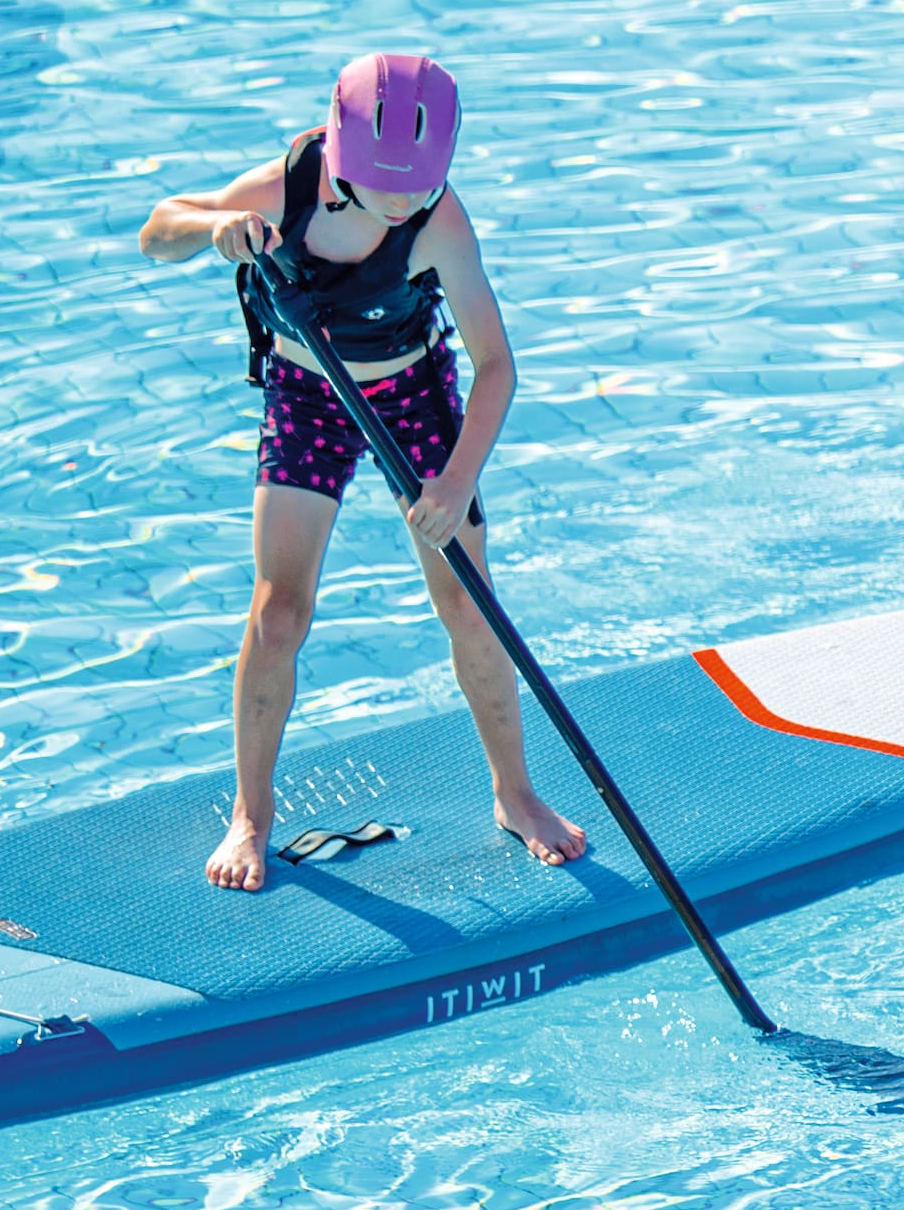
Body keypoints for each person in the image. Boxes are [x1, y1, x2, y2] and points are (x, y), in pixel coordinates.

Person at [134, 52, 592, 891]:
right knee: (279, 613)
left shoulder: (441, 223)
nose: (400, 209)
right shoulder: (289, 185)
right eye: (385, 193)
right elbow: (156, 229)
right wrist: (212, 232)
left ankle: (515, 793)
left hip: (412, 396)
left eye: (414, 193)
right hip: (306, 396)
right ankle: (250, 815)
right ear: (342, 161)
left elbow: (495, 365)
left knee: (469, 605)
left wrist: (453, 485)